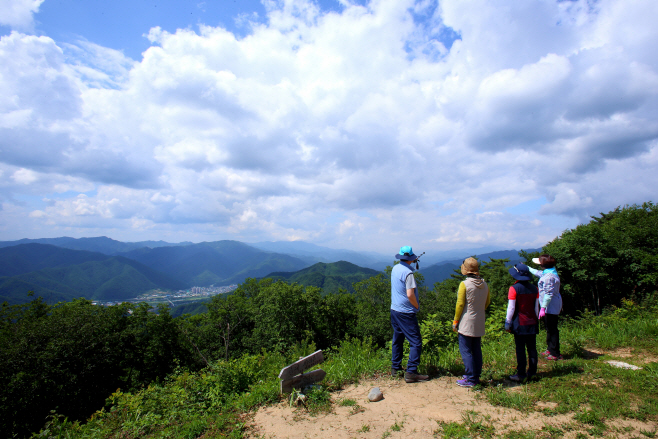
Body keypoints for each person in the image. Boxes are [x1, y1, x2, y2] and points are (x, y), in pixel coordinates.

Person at [390, 246, 429, 383]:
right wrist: (417, 306)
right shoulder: (409, 274)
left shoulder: (395, 269)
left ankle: (395, 368)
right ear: (411, 258)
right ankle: (411, 372)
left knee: (398, 339)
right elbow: (410, 294)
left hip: (394, 310)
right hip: (406, 312)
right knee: (416, 342)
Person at [452, 257, 490, 387]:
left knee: (466, 350)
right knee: (476, 349)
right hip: (480, 320)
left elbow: (460, 304)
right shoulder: (484, 284)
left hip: (467, 321)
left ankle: (470, 378)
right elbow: (487, 302)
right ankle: (476, 375)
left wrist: (456, 320)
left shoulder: (465, 284)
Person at [505, 263, 540, 382]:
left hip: (519, 323)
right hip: (532, 322)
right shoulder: (535, 288)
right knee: (532, 349)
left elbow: (511, 308)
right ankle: (533, 372)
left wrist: (507, 322)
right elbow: (536, 308)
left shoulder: (514, 288)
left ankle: (521, 374)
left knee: (520, 349)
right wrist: (536, 320)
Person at [530, 254, 563, 360]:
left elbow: (549, 294)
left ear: (543, 265)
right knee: (549, 328)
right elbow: (538, 273)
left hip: (551, 306)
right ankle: (550, 348)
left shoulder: (549, 277)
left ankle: (555, 353)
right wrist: (527, 268)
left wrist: (543, 308)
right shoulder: (549, 273)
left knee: (552, 329)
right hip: (549, 305)